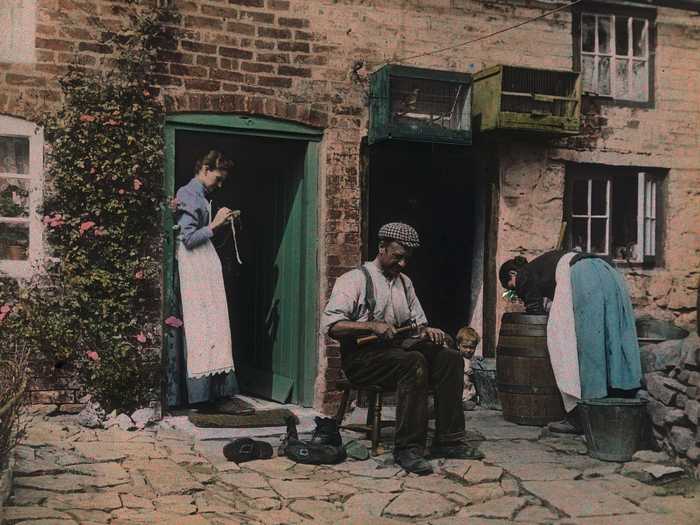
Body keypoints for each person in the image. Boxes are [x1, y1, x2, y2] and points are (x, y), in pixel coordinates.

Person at [322, 222, 483, 476]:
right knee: (414, 362)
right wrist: (371, 327)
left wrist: (426, 331)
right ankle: (408, 448)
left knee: (450, 358)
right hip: (361, 360)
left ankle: (449, 441)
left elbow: (418, 325)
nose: (402, 264)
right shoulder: (353, 280)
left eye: (407, 259)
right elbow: (333, 327)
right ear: (382, 248)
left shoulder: (405, 283)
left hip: (398, 350)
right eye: (397, 257)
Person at [499, 250, 642, 433]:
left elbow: (534, 311)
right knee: (609, 334)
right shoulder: (541, 266)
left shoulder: (524, 274)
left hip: (580, 274)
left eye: (511, 288)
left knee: (563, 340)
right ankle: (619, 396)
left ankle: (576, 414)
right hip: (606, 271)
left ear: (513, 274)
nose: (515, 293)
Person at [175, 150, 239, 404]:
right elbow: (189, 239)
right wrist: (215, 224)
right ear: (204, 169)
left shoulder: (201, 195)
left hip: (204, 264)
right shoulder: (188, 194)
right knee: (202, 325)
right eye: (218, 178)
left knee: (215, 324)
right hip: (194, 266)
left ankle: (216, 392)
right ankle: (200, 394)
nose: (220, 184)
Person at [456, 326, 480, 411]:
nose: (468, 350)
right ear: (458, 346)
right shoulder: (457, 359)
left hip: (469, 389)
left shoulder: (474, 361)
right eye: (465, 347)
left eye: (471, 347)